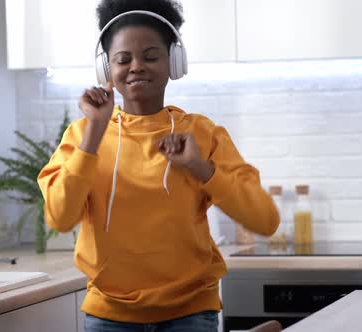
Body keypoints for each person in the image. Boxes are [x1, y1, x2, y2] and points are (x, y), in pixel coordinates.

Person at [37, 0, 279, 330]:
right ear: (106, 68)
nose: (137, 66)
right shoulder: (81, 135)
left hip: (191, 313)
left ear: (173, 62)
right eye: (124, 59)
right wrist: (94, 132)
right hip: (109, 316)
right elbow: (60, 217)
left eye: (151, 56)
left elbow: (264, 220)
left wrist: (200, 169)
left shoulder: (202, 134)